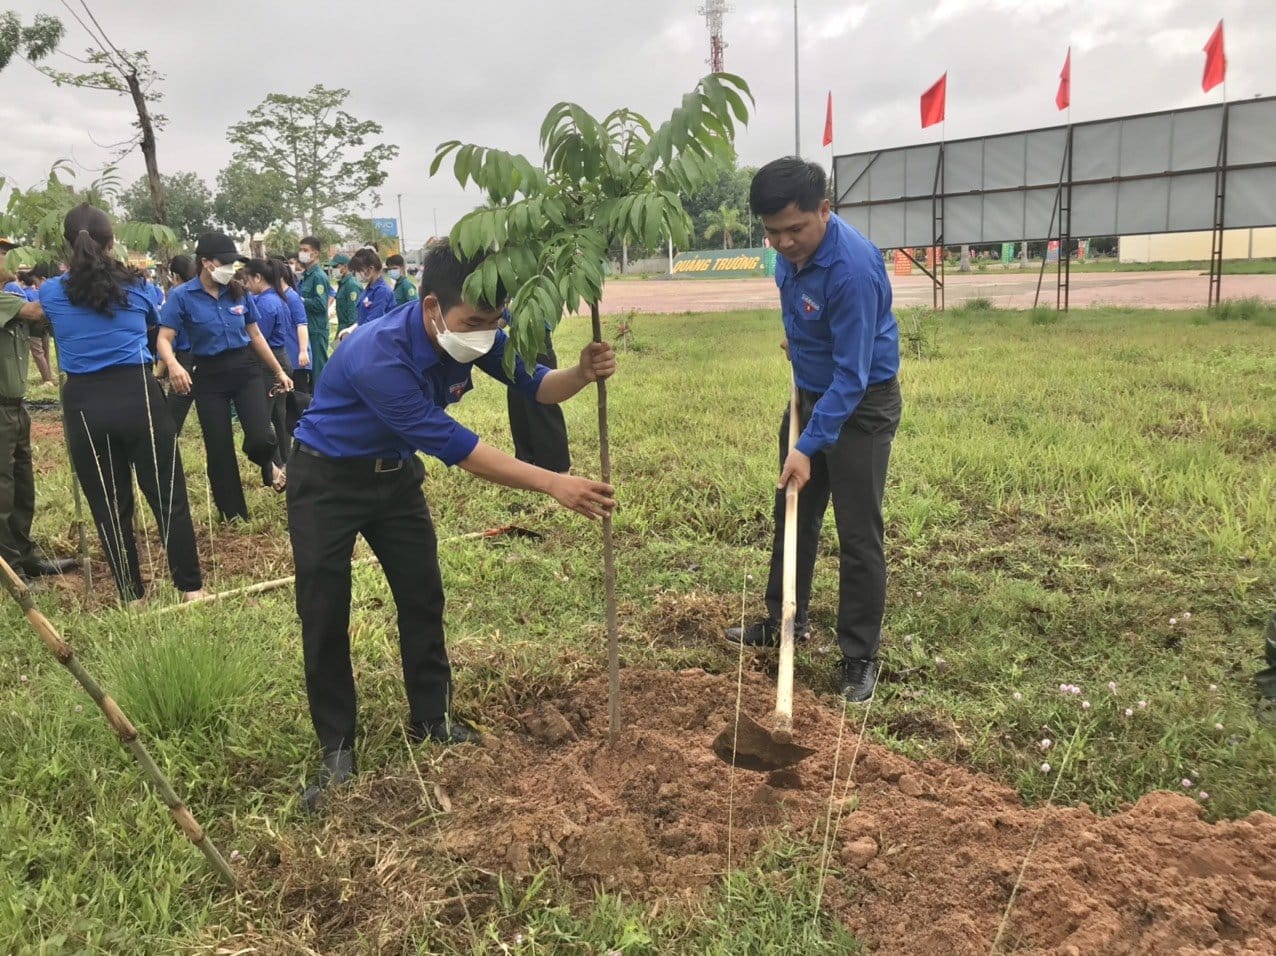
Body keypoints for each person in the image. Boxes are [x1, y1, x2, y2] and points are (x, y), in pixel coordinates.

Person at [289, 239, 616, 810]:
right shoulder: (379, 356)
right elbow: (457, 447)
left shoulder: (474, 334)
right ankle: (337, 749)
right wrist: (553, 482)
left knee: (422, 594)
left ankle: (432, 718)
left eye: (494, 321)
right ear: (433, 305)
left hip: (394, 478)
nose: (485, 332)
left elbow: (535, 385)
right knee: (324, 608)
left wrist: (581, 374)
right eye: (474, 321)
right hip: (327, 480)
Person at [723, 157, 903, 704]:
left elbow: (854, 374)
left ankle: (859, 656)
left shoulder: (851, 268)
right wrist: (800, 347)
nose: (782, 242)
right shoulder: (787, 256)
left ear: (825, 210)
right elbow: (800, 314)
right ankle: (785, 620)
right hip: (810, 394)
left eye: (794, 229)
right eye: (771, 232)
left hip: (861, 405)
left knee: (857, 530)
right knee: (793, 508)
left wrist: (806, 445)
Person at [37, 205, 204, 604]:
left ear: (65, 243)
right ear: (112, 242)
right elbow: (151, 327)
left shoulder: (50, 292)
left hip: (84, 405)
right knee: (168, 495)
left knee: (109, 505)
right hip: (138, 396)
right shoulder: (140, 287)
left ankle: (132, 595)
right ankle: (190, 588)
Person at [157, 232, 293, 521]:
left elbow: (255, 335)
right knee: (219, 448)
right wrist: (173, 364)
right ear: (206, 262)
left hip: (245, 370)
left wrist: (279, 370)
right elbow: (164, 338)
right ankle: (233, 513)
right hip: (208, 374)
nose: (231, 269)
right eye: (225, 263)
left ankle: (267, 463)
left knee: (260, 435)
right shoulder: (182, 296)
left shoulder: (238, 292)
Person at [1, 291, 78, 585]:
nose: (4, 259)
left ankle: (25, 555)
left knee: (22, 484)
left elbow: (47, 325)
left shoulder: (11, 302)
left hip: (16, 407)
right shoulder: (9, 303)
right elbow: (37, 313)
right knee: (3, 490)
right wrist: (67, 289)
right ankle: (10, 569)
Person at [243, 258, 309, 486]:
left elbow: (257, 337)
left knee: (263, 419)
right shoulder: (278, 299)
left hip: (269, 363)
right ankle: (286, 464)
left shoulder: (265, 304)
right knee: (279, 417)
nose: (247, 284)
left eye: (248, 279)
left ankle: (274, 469)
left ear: (258, 278)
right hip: (279, 359)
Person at [502, 309, 571, 473]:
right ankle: (526, 460)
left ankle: (558, 468)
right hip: (516, 346)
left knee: (543, 407)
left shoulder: (538, 286)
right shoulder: (509, 288)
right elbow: (503, 317)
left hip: (537, 346)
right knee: (518, 406)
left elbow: (526, 315)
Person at [162, 256, 198, 433]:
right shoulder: (202, 292)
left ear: (175, 275)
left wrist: (160, 373)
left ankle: (167, 457)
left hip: (185, 363)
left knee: (170, 423)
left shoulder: (176, 296)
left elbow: (167, 339)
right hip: (209, 360)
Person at [297, 237, 331, 384]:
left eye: (305, 250)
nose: (301, 253)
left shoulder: (318, 276)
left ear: (315, 253)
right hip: (308, 328)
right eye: (300, 250)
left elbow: (321, 304)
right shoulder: (306, 275)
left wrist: (301, 301)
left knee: (319, 371)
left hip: (317, 329)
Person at [18, 266, 56, 386]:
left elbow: (28, 311)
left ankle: (47, 379)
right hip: (44, 326)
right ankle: (49, 375)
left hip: (34, 327)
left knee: (38, 353)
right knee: (46, 352)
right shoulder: (38, 292)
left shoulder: (25, 293)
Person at [343, 248, 395, 333]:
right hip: (366, 334)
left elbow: (372, 322)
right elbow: (362, 317)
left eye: (359, 271)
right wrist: (352, 328)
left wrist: (354, 334)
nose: (356, 274)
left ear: (370, 269)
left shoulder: (382, 291)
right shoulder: (368, 289)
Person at [331, 253, 361, 336]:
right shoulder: (343, 284)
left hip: (348, 331)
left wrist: (349, 334)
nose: (333, 269)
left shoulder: (351, 285)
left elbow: (353, 314)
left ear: (345, 266)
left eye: (335, 266)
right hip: (342, 328)